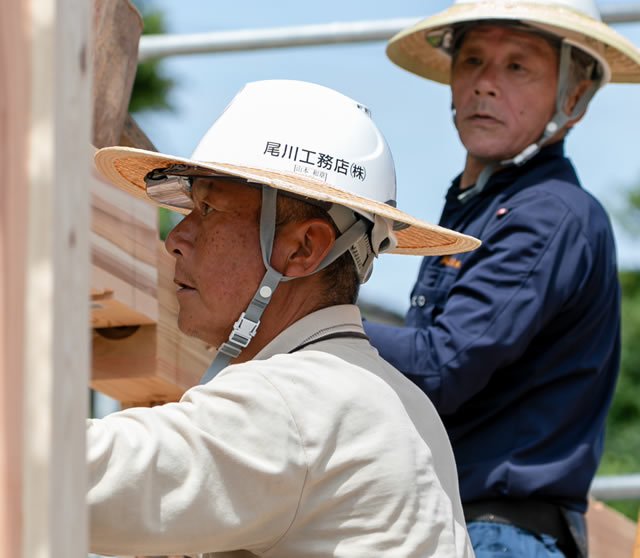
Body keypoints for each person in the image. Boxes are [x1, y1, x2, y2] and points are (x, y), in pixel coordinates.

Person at [88, 79, 479, 557]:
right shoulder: (398, 400)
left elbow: (70, 477)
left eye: (208, 208)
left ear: (301, 248)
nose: (177, 237)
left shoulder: (294, 400)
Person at [363, 1, 640, 557]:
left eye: (517, 67)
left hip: (502, 535)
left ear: (574, 96)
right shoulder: (484, 208)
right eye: (472, 60)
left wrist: (301, 313)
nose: (486, 84)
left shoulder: (548, 214)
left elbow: (440, 366)